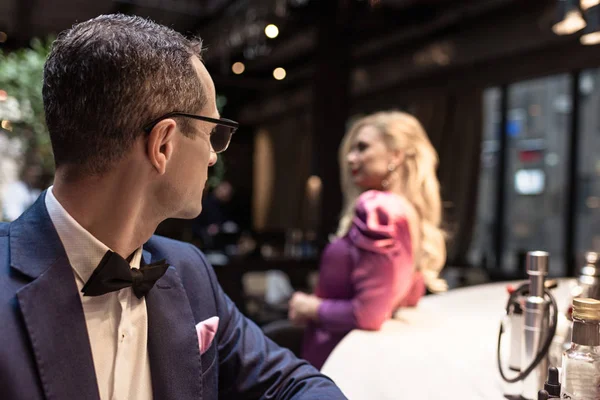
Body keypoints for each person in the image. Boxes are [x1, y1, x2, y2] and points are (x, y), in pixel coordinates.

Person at [0, 14, 346, 400]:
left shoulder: (189, 271)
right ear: (163, 144)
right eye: (212, 134)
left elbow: (292, 383)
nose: (214, 157)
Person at [288, 111, 448, 369]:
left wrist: (309, 307)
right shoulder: (408, 212)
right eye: (351, 150)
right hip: (365, 356)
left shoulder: (379, 209)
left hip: (337, 358)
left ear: (396, 154)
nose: (351, 158)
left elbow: (369, 314)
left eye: (362, 148)